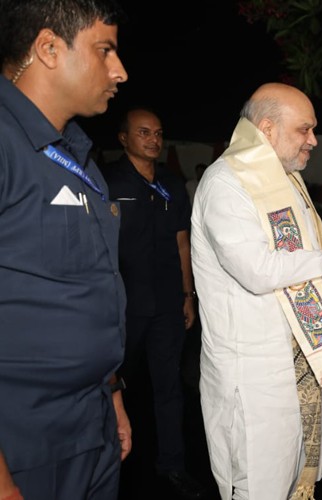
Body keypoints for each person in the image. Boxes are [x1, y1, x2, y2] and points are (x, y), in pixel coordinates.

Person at [191, 82, 322, 500]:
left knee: (290, 483)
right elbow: (257, 270)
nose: (314, 141)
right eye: (304, 130)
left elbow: (306, 247)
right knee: (258, 486)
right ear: (267, 129)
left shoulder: (286, 183)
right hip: (252, 378)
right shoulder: (227, 184)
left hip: (294, 367)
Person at [0, 1, 131, 499]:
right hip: (24, 446)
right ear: (49, 48)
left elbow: (89, 287)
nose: (120, 70)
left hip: (91, 424)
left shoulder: (76, 157)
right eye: (105, 50)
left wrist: (112, 393)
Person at [103, 108, 205, 499]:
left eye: (159, 133)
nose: (154, 140)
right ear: (124, 138)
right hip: (122, 307)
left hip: (166, 305)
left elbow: (183, 243)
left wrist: (187, 295)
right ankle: (108, 465)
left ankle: (173, 466)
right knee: (111, 390)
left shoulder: (172, 184)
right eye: (144, 132)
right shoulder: (107, 182)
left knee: (169, 389)